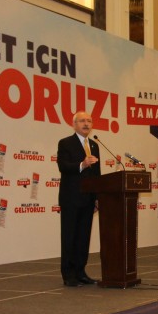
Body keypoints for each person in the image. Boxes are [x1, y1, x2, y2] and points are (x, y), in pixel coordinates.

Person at [57, 111, 100, 287]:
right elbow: (63, 166)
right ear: (74, 124)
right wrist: (83, 164)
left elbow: (97, 174)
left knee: (83, 237)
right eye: (82, 121)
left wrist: (97, 197)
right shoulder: (65, 143)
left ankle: (81, 272)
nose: (86, 124)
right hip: (71, 198)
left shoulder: (94, 145)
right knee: (70, 236)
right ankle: (68, 275)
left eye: (89, 121)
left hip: (88, 199)